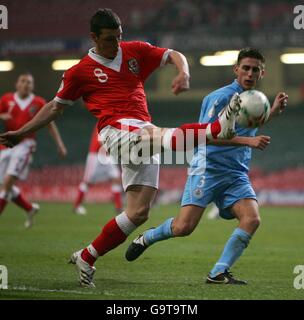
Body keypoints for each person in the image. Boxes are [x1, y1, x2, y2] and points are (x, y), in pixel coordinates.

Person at [0, 9, 240, 287]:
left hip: (140, 131)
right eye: (109, 39)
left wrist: (183, 73)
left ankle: (87, 256)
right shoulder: (79, 72)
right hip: (116, 133)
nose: (116, 44)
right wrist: (21, 131)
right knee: (157, 134)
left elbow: (173, 53)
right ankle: (216, 128)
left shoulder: (134, 51)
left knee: (138, 213)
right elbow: (54, 108)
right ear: (93, 38)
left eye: (119, 37)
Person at [125, 48, 288, 285]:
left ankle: (218, 273)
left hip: (236, 173)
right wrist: (248, 141)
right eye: (246, 68)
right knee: (183, 227)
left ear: (262, 73)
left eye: (255, 69)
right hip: (208, 168)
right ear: (236, 70)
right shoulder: (219, 98)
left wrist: (271, 113)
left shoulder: (254, 99)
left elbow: (247, 125)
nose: (250, 73)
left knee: (252, 219)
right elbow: (203, 135)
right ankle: (147, 237)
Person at [0, 72, 67, 228]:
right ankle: (30, 208)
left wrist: (60, 144)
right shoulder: (6, 99)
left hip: (25, 144)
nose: (25, 84)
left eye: (29, 82)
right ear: (17, 84)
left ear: (33, 85)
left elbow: (50, 123)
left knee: (7, 183)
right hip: (6, 144)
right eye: (23, 81)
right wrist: (2, 116)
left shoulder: (38, 102)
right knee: (4, 185)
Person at [73, 124, 122, 215]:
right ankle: (76, 206)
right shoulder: (103, 120)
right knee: (87, 181)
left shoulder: (115, 121)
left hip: (107, 155)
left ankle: (118, 207)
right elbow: (100, 139)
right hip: (95, 154)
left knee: (116, 178)